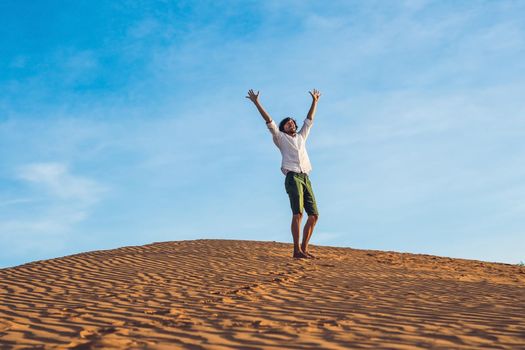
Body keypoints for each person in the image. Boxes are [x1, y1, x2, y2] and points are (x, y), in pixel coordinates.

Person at [246, 88, 321, 259]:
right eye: (287, 123)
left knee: (314, 215)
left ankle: (303, 249)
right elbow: (269, 121)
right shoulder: (279, 137)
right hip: (292, 176)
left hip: (305, 177)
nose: (291, 124)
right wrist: (257, 102)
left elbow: (309, 120)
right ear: (283, 127)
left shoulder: (302, 137)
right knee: (298, 213)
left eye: (292, 123)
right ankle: (296, 250)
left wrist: (315, 101)